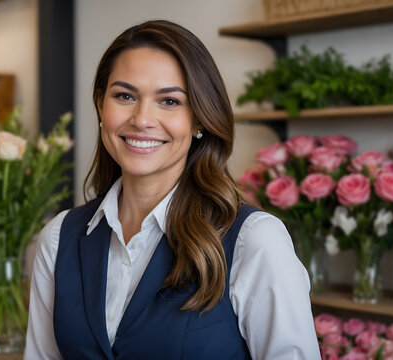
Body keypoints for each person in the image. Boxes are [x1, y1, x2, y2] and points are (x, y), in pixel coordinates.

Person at [24, 20, 319, 359]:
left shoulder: (254, 241)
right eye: (124, 96)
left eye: (169, 101)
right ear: (101, 107)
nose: (142, 118)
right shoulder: (59, 238)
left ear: (198, 120)